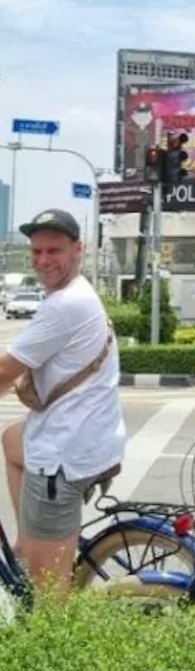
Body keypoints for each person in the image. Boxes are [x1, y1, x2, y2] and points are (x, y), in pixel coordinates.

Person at [0, 209, 125, 592]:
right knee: (12, 440)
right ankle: (30, 539)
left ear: (77, 250)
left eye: (53, 250)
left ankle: (44, 569)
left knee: (48, 596)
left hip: (62, 459)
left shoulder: (63, 306)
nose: (43, 261)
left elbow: (4, 373)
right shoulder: (79, 293)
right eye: (36, 252)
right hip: (92, 441)